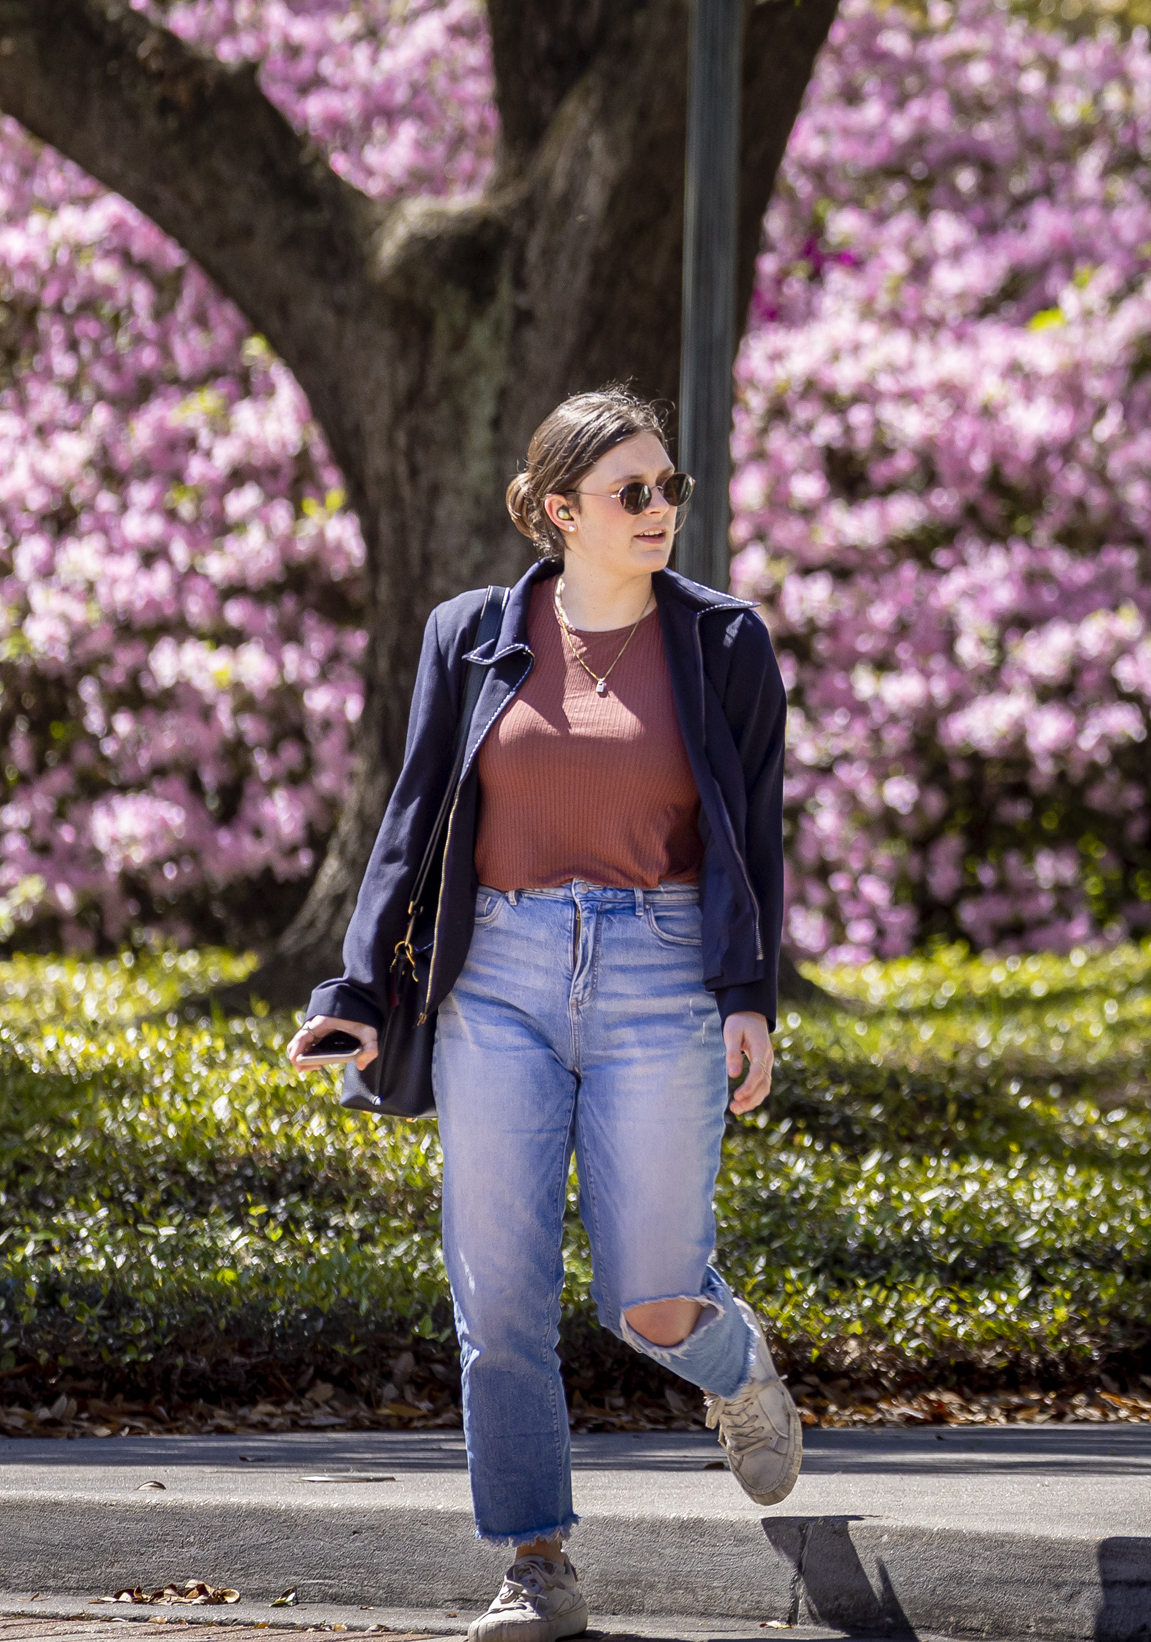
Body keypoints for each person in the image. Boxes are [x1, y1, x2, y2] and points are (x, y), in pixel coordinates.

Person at [285, 387, 802, 1642]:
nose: (662, 509)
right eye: (635, 491)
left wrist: (748, 997)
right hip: (498, 976)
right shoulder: (471, 632)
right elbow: (414, 824)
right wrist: (356, 992)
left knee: (651, 1298)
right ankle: (535, 1562)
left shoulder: (724, 641)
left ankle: (734, 1366)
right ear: (559, 508)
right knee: (499, 1293)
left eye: (670, 487)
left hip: (662, 967)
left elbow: (756, 840)